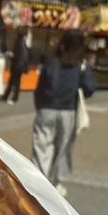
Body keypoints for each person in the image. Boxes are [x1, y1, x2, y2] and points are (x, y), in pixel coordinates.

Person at [31, 31, 96, 197]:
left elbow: (39, 88)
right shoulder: (80, 65)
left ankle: (37, 183)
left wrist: (40, 108)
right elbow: (89, 90)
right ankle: (55, 183)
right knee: (63, 148)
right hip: (68, 111)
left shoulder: (51, 62)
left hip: (46, 109)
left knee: (42, 146)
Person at [3, 28, 30, 104]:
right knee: (14, 82)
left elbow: (19, 56)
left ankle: (13, 98)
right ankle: (7, 96)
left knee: (14, 82)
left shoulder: (19, 42)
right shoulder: (23, 43)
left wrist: (11, 55)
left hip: (17, 65)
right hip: (19, 66)